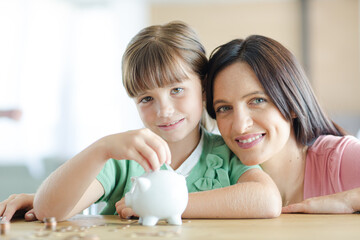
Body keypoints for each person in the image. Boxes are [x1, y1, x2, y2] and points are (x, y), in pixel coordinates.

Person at [1, 22, 281, 222]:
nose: (164, 111)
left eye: (177, 90)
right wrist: (102, 148)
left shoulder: (226, 152)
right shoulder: (121, 160)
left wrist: (160, 206)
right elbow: (50, 210)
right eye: (146, 98)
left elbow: (267, 200)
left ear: (205, 88)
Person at [204, 35, 360, 214]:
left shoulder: (340, 158)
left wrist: (349, 200)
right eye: (224, 108)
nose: (240, 126)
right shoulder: (215, 174)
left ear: (292, 104)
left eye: (257, 100)